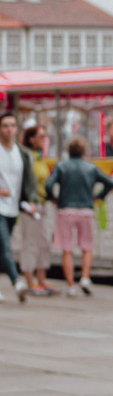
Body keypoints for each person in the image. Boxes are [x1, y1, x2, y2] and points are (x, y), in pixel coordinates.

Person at [45, 136, 113, 297]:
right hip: (86, 209)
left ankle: (70, 286)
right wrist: (98, 196)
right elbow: (110, 182)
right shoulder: (91, 167)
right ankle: (85, 277)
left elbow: (49, 184)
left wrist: (54, 198)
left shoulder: (62, 166)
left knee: (67, 249)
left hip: (66, 209)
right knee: (87, 247)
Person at [0, 112, 34, 303]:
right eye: (5, 125)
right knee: (5, 246)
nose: (9, 129)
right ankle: (17, 282)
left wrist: (31, 201)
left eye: (12, 125)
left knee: (1, 249)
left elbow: (27, 181)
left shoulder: (21, 153)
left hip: (14, 208)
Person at [20, 126, 57, 296]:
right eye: (40, 136)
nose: (44, 139)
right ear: (31, 139)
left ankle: (41, 279)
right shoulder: (27, 156)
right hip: (30, 206)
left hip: (42, 205)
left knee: (44, 243)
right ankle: (30, 281)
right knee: (31, 244)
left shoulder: (41, 157)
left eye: (45, 136)